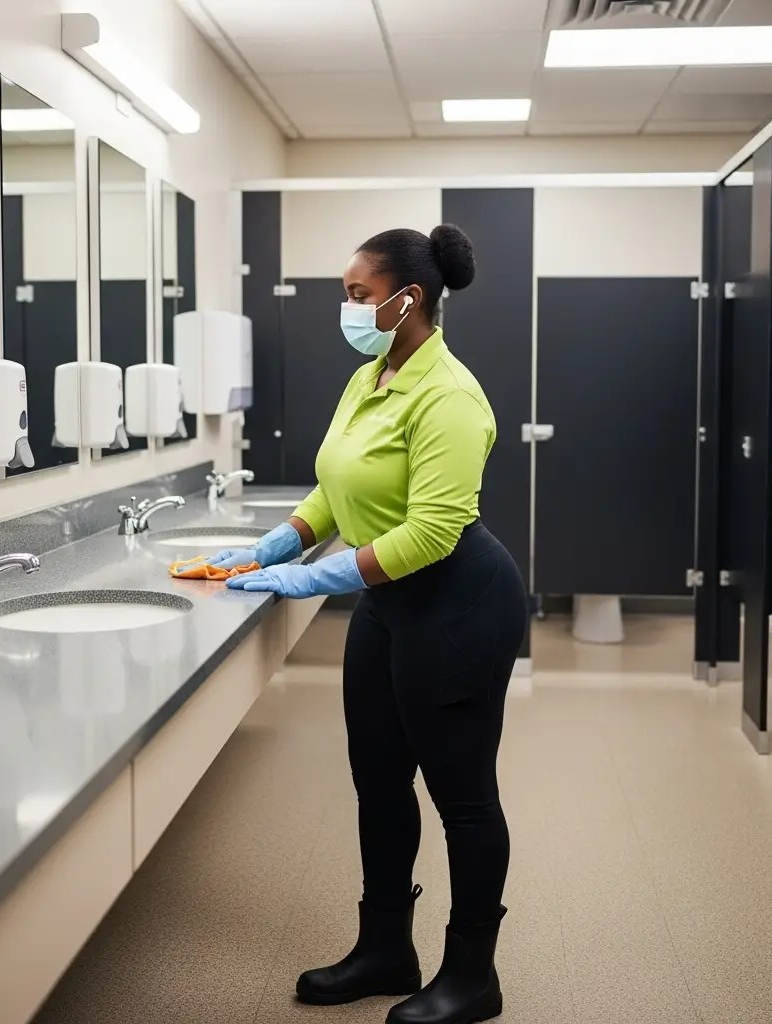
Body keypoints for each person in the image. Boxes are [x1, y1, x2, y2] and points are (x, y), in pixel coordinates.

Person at [193, 224, 527, 1024]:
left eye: (358, 295)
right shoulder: (370, 376)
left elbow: (431, 533)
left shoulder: (450, 397)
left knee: (463, 797)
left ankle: (472, 976)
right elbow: (338, 486)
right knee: (377, 780)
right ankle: (385, 950)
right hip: (387, 607)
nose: (347, 309)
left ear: (407, 300)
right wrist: (275, 544)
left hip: (458, 604)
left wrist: (313, 577)